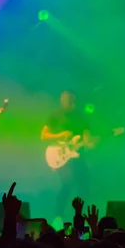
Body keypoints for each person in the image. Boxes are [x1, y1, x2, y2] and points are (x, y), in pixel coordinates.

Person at [41, 90, 92, 225]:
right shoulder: (55, 116)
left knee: (84, 186)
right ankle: (58, 216)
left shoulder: (81, 116)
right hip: (60, 155)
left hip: (77, 155)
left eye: (69, 99)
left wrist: (89, 143)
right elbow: (44, 135)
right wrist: (59, 135)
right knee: (67, 184)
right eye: (64, 99)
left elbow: (86, 137)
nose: (66, 102)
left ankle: (82, 218)